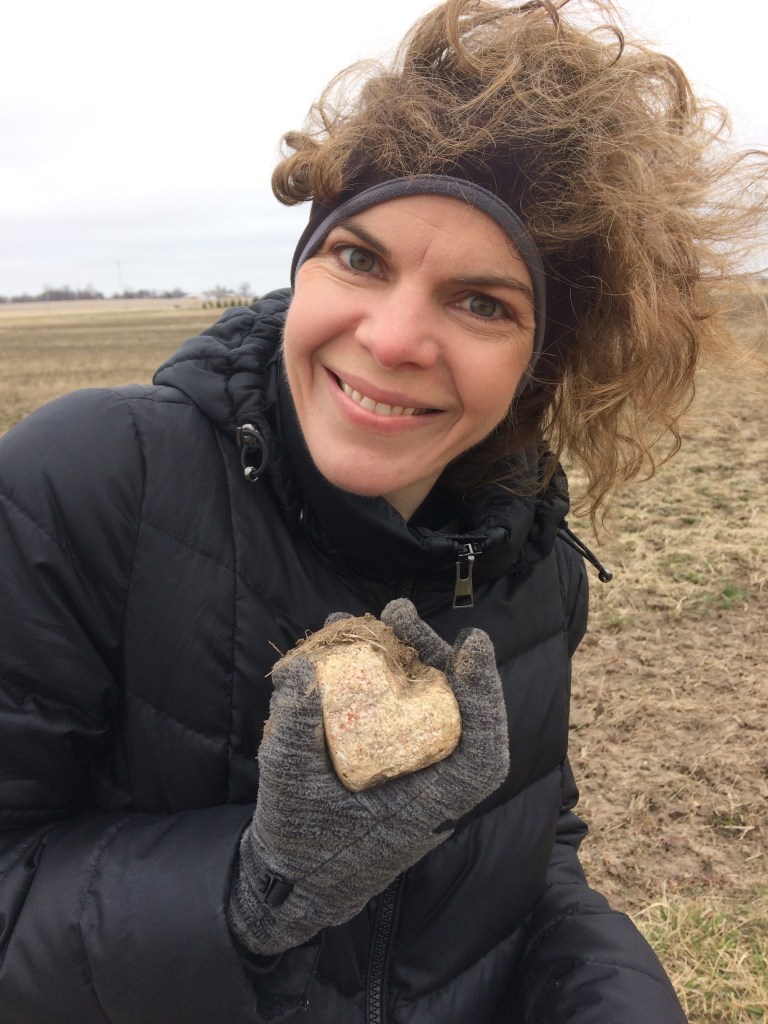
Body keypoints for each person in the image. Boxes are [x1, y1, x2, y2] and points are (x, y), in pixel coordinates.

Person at [0, 1, 764, 1021]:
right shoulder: (90, 484)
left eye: (482, 301)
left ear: (543, 361)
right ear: (305, 259)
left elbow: (532, 857)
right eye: (360, 257)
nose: (393, 337)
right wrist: (250, 893)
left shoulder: (529, 556)